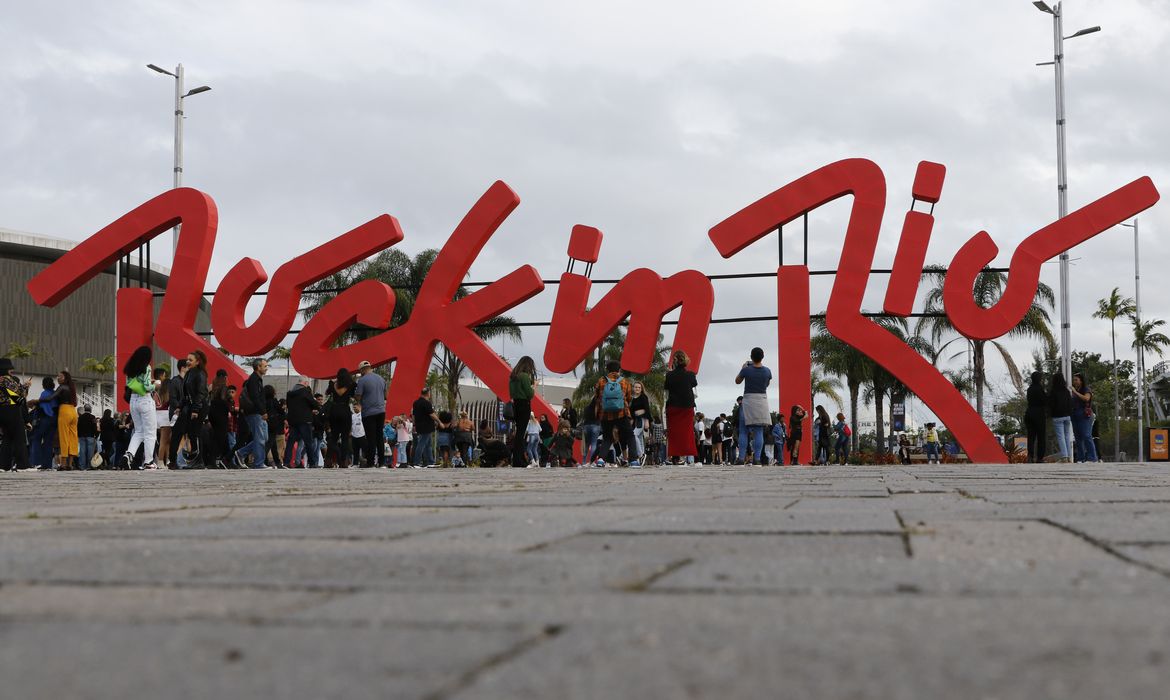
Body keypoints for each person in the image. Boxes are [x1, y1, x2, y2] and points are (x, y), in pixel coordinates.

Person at [122, 346, 161, 469]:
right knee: (150, 433)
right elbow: (147, 387)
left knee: (139, 431)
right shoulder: (146, 367)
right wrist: (156, 384)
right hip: (145, 401)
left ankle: (129, 454)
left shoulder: (129, 368)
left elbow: (130, 384)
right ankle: (148, 461)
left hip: (133, 401)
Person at [170, 351, 208, 469]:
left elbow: (201, 394)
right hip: (189, 407)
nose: (188, 362)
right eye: (187, 359)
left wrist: (196, 410)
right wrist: (179, 407)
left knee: (194, 433)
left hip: (199, 407)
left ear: (197, 362)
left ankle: (198, 461)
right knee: (182, 432)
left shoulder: (200, 374)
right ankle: (176, 460)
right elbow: (186, 395)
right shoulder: (189, 373)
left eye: (190, 360)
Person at [595, 360, 634, 467]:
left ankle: (601, 459)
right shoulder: (624, 381)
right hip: (622, 413)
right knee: (630, 435)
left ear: (608, 370)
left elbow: (597, 396)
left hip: (605, 413)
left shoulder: (601, 381)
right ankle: (633, 460)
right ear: (619, 370)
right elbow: (629, 397)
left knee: (607, 437)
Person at [664, 350, 698, 464]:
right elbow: (694, 384)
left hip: (673, 405)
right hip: (687, 406)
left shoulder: (669, 375)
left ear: (674, 361)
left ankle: (675, 456)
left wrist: (671, 372)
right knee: (686, 432)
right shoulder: (690, 374)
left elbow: (667, 387)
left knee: (674, 432)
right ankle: (684, 456)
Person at [235, 358, 269, 469]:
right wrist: (262, 412)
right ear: (258, 367)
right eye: (264, 366)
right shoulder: (254, 379)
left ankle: (241, 453)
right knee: (260, 438)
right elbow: (255, 397)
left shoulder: (258, 379)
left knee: (264, 438)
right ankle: (259, 463)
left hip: (257, 412)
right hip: (254, 413)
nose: (266, 368)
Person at [353, 360, 387, 468]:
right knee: (379, 437)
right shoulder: (381, 379)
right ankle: (382, 462)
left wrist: (357, 399)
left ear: (362, 369)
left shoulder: (362, 380)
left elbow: (358, 396)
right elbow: (386, 395)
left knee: (371, 438)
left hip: (369, 413)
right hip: (381, 411)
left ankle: (371, 462)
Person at [0, 357, 31, 470]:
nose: (11, 371)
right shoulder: (6, 379)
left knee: (7, 439)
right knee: (19, 438)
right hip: (12, 410)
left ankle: (4, 465)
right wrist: (26, 385)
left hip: (2, 411)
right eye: (9, 369)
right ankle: (22, 465)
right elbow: (20, 393)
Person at [509, 356, 537, 468]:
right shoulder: (524, 376)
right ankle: (518, 460)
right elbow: (530, 394)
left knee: (519, 433)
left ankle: (517, 459)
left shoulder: (513, 377)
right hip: (524, 405)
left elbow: (511, 393)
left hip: (516, 405)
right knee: (521, 434)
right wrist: (534, 386)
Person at [326, 368, 356, 467]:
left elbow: (327, 392)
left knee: (333, 437)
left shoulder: (333, 384)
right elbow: (354, 396)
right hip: (345, 411)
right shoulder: (351, 385)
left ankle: (328, 460)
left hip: (334, 411)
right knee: (345, 438)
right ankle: (343, 461)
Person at [284, 378, 317, 467]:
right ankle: (312, 463)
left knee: (290, 442)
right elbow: (314, 404)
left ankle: (286, 462)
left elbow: (288, 405)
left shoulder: (289, 393)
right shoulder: (305, 391)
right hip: (305, 420)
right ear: (305, 382)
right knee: (308, 442)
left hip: (293, 420)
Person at [1070, 372, 1098, 463]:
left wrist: (1075, 392)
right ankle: (1080, 457)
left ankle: (1092, 457)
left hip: (1084, 414)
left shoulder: (1086, 389)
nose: (1074, 382)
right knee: (1078, 437)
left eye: (1076, 380)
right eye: (1074, 380)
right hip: (1074, 414)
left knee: (1086, 435)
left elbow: (1086, 398)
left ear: (1081, 381)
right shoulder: (1075, 390)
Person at [29, 377, 56, 469]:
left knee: (36, 439)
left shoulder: (44, 393)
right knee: (48, 442)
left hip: (44, 419)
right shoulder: (54, 393)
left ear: (43, 385)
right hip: (53, 420)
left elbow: (42, 407)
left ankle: (36, 462)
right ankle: (47, 464)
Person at [208, 370, 232, 469]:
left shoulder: (212, 386)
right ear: (225, 377)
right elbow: (223, 400)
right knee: (220, 437)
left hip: (212, 413)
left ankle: (225, 459)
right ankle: (213, 461)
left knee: (218, 437)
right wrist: (230, 407)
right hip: (221, 414)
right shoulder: (224, 388)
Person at [412, 387, 440, 467]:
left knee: (428, 444)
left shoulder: (415, 403)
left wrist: (414, 425)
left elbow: (413, 415)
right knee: (421, 444)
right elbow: (432, 414)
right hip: (427, 426)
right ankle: (416, 462)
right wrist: (439, 422)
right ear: (428, 393)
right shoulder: (427, 403)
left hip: (419, 425)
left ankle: (430, 462)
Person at [1049, 372, 1073, 463]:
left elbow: (1051, 404)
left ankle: (1064, 456)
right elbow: (1070, 403)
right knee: (1067, 436)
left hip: (1057, 417)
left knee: (1061, 437)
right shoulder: (1066, 391)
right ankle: (1069, 456)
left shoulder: (1053, 391)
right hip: (1067, 416)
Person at [1025, 371, 1047, 464]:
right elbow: (1044, 400)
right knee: (1041, 436)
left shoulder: (1029, 389)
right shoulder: (1039, 388)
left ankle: (1030, 456)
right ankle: (1040, 457)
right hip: (1039, 414)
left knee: (1031, 436)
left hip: (1029, 412)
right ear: (1039, 379)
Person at [153, 367, 173, 468]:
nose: (165, 377)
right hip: (165, 414)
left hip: (157, 413)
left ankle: (166, 461)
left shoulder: (153, 386)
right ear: (161, 375)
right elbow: (168, 400)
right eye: (164, 375)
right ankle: (161, 462)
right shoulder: (164, 386)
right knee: (164, 440)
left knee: (165, 440)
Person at [264, 385, 286, 468]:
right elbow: (281, 411)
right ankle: (263, 460)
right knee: (270, 443)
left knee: (273, 445)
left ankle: (277, 462)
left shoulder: (264, 401)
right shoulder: (274, 401)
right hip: (273, 425)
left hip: (266, 423)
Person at [629, 381, 651, 461]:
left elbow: (647, 409)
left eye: (639, 387)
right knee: (640, 438)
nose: (637, 389)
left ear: (641, 389)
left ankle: (640, 455)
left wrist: (647, 421)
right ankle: (641, 459)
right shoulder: (632, 398)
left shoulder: (643, 397)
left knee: (634, 435)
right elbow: (631, 411)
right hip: (634, 421)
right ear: (633, 388)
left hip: (642, 420)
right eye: (636, 387)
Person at [581, 395, 601, 464]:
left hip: (586, 427)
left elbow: (583, 418)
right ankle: (591, 462)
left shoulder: (586, 408)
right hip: (595, 426)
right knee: (593, 444)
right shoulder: (598, 409)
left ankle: (583, 462)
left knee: (586, 445)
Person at [78, 405, 98, 470]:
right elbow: (95, 427)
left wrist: (79, 435)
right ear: (90, 410)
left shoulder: (80, 417)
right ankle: (89, 466)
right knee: (90, 452)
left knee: (82, 452)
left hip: (82, 436)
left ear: (84, 409)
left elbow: (78, 427)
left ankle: (82, 466)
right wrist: (96, 435)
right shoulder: (93, 417)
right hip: (90, 436)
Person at [350, 403, 366, 468]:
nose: (354, 409)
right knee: (355, 450)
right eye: (353, 408)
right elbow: (350, 424)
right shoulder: (352, 416)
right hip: (354, 435)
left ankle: (366, 463)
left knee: (364, 450)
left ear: (360, 407)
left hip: (362, 434)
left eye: (355, 407)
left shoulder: (363, 415)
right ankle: (355, 464)